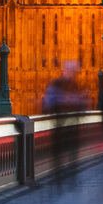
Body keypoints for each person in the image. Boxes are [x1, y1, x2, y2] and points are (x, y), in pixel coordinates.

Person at [42, 60, 87, 189]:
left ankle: (62, 179)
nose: (74, 74)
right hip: (64, 125)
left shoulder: (73, 86)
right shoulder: (66, 85)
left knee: (65, 153)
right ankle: (64, 179)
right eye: (73, 71)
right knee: (66, 152)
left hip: (64, 125)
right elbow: (49, 102)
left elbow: (47, 103)